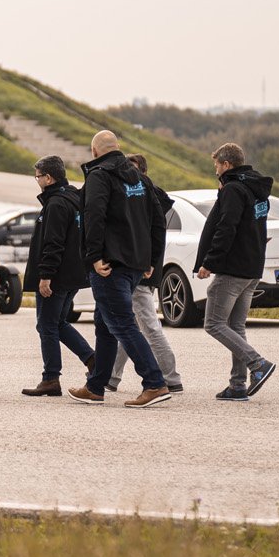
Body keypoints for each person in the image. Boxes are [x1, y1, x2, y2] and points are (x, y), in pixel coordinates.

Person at [67, 131, 172, 409]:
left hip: (109, 265)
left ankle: (154, 383)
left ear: (94, 151)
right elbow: (158, 221)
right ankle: (96, 386)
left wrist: (93, 257)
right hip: (136, 264)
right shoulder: (140, 179)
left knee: (122, 324)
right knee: (105, 324)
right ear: (118, 148)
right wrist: (151, 260)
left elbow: (94, 216)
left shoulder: (99, 176)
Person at [193, 143, 279, 402]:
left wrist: (210, 262)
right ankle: (238, 385)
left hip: (232, 267)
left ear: (227, 165)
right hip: (252, 267)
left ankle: (258, 363)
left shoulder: (233, 190)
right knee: (235, 325)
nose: (215, 171)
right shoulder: (256, 190)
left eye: (217, 166)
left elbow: (226, 227)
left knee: (214, 324)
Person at [107, 153, 184, 394]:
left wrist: (148, 266)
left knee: (148, 326)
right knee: (126, 326)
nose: (129, 174)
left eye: (134, 169)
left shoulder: (148, 200)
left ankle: (171, 377)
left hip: (140, 273)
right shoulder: (142, 198)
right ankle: (112, 376)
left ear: (144, 172)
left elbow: (153, 238)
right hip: (138, 270)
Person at [19, 155, 92, 398]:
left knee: (47, 325)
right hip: (73, 273)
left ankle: (51, 378)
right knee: (58, 323)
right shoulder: (73, 198)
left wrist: (45, 275)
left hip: (58, 275)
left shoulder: (56, 204)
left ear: (48, 178)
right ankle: (92, 360)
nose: (36, 180)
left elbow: (53, 243)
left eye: (38, 176)